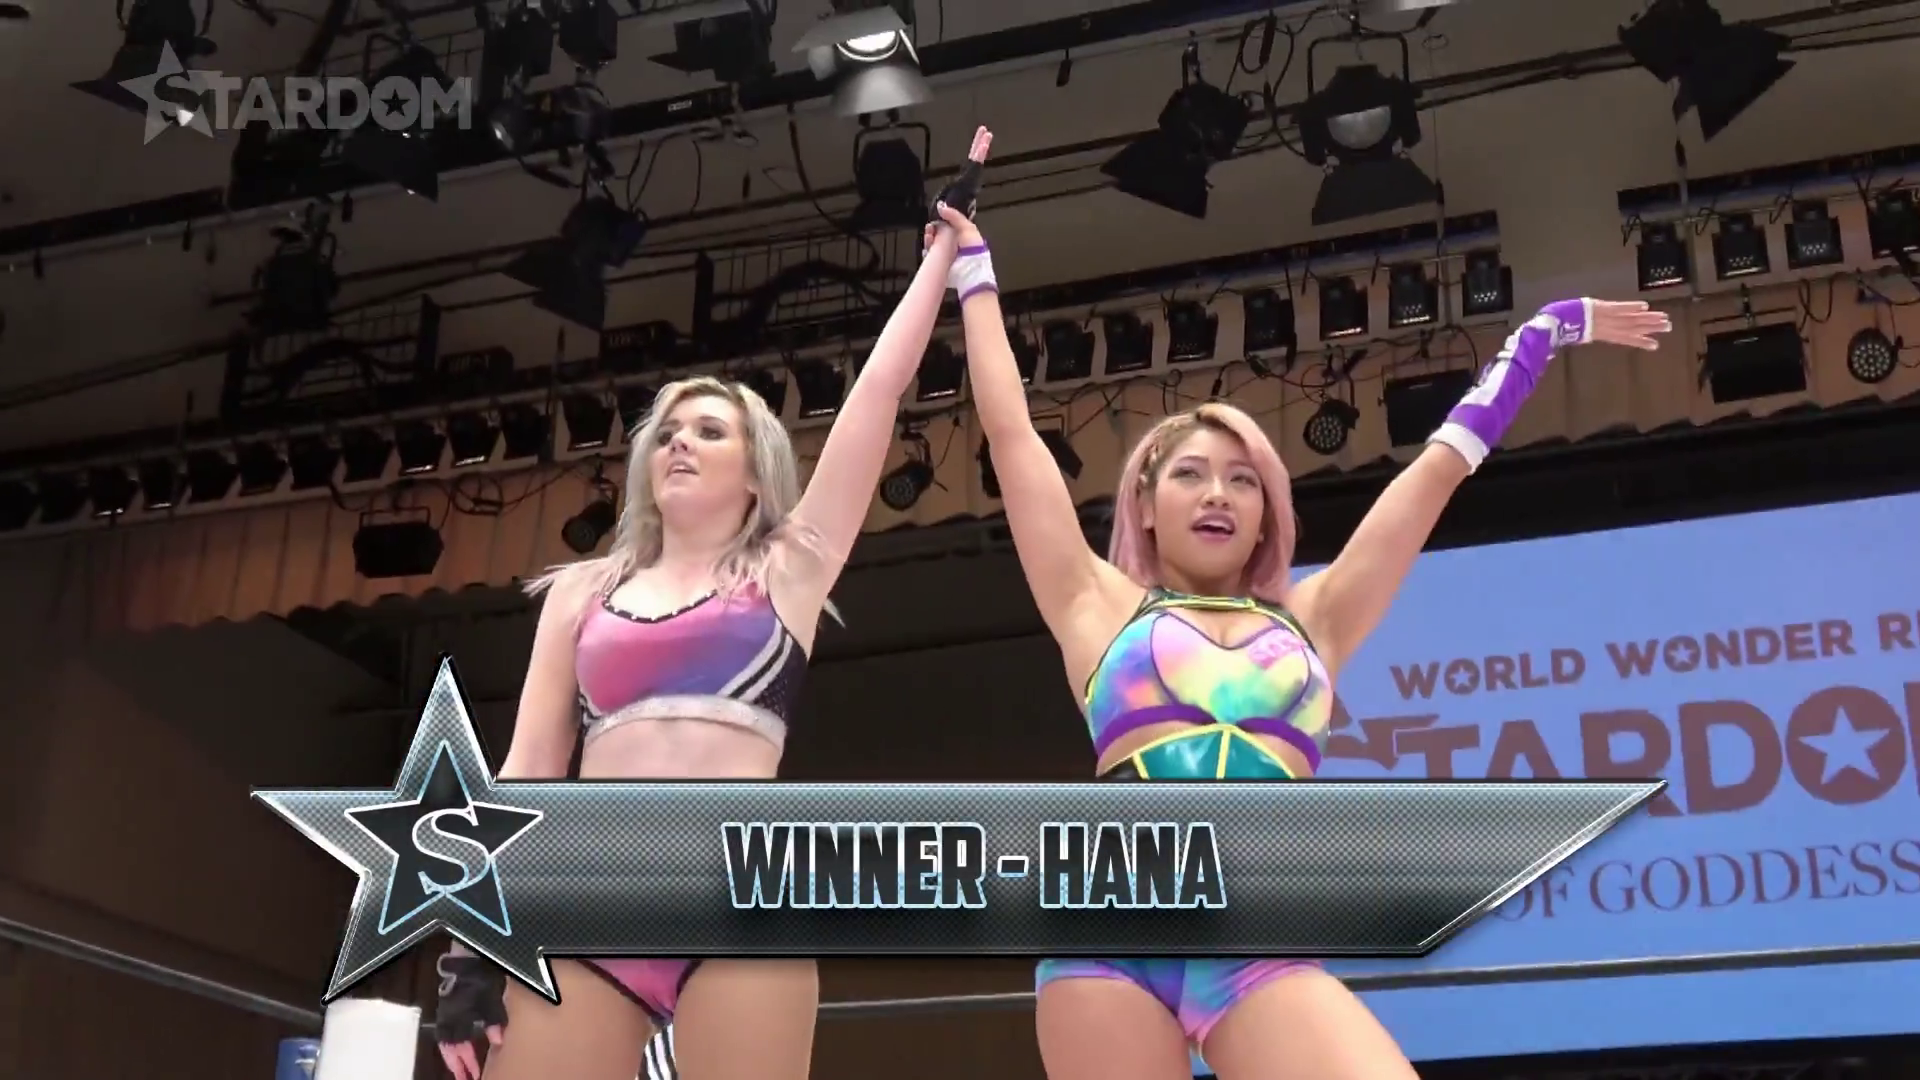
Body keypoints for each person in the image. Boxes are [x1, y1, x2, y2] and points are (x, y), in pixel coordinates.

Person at [931, 201, 1670, 1080]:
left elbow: (1437, 469)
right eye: (1191, 474)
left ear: (1266, 514)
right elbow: (1013, 438)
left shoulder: (1316, 617)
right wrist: (974, 275)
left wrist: (1543, 335)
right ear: (1146, 506)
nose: (1218, 494)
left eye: (1243, 480)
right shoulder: (1097, 605)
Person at [431, 129, 996, 1080]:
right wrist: (468, 953)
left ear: (756, 469)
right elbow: (524, 775)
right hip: (587, 899)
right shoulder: (580, 594)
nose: (680, 444)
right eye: (666, 434)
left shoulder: (789, 569)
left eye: (708, 430)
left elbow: (874, 395)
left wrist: (940, 256)